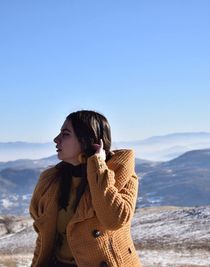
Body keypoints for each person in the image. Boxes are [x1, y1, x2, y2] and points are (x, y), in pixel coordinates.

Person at [29, 110, 141, 267]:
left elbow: (114, 220)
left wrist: (98, 167)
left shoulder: (121, 174)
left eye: (65, 134)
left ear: (87, 140)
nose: (56, 139)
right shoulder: (50, 181)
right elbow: (44, 238)